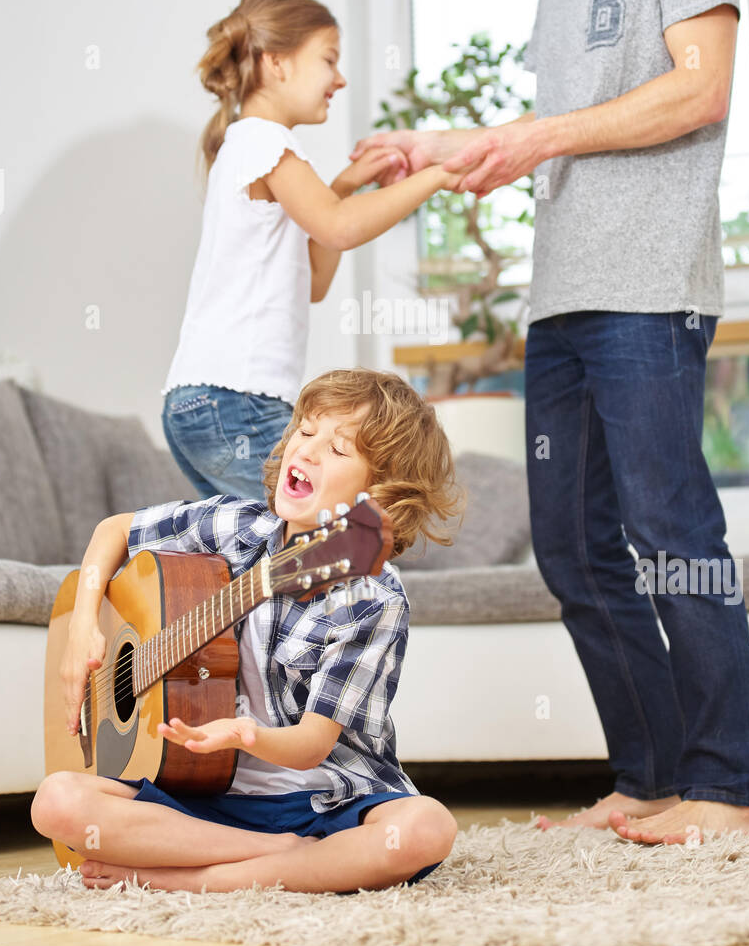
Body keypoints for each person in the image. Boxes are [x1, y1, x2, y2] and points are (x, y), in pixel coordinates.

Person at [353, 0, 749, 845]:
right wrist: (446, 148)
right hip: (560, 295)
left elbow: (696, 93)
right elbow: (564, 133)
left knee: (666, 524)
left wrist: (538, 138)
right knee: (574, 547)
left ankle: (730, 785)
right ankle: (648, 775)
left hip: (645, 286)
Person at [32, 368, 464, 894]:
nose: (306, 452)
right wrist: (82, 625)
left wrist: (245, 734)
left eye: (338, 449)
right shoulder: (239, 525)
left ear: (379, 493)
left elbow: (310, 746)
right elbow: (115, 530)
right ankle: (279, 860)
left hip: (325, 800)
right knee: (56, 802)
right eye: (305, 432)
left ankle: (185, 881)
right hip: (209, 802)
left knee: (425, 829)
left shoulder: (370, 597)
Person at [162, 0, 457, 501]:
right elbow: (339, 228)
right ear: (275, 63)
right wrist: (439, 173)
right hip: (237, 398)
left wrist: (343, 187)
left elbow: (315, 280)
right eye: (328, 60)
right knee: (316, 540)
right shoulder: (265, 141)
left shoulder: (247, 144)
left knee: (260, 553)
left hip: (201, 401)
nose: (339, 79)